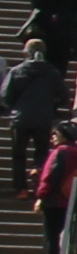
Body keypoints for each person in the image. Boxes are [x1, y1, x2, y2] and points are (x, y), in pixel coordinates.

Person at [2, 37, 63, 193]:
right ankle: (38, 177)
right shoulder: (53, 72)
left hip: (20, 118)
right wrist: (52, 106)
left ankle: (20, 189)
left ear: (26, 52)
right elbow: (63, 96)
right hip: (44, 118)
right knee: (42, 151)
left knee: (19, 155)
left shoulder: (17, 71)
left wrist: (15, 106)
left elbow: (5, 96)